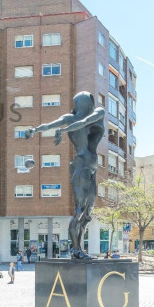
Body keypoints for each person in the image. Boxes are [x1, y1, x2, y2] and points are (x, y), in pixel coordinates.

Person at [25, 92, 105, 260]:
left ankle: (79, 248)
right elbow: (49, 125)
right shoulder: (69, 118)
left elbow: (84, 122)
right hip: (81, 165)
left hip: (92, 168)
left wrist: (64, 130)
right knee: (79, 211)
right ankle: (75, 249)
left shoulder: (98, 112)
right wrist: (35, 130)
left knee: (87, 214)